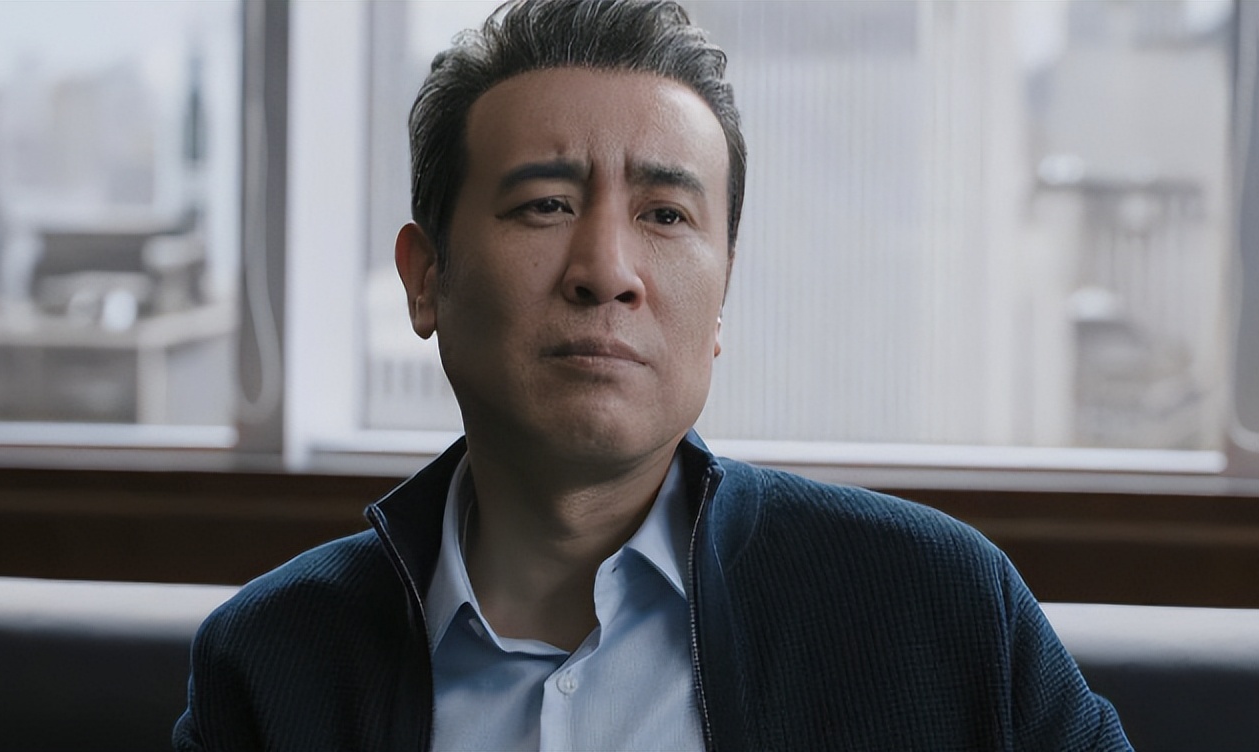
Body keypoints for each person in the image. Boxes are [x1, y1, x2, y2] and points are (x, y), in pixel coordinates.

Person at [174, 1, 1132, 749]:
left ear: (721, 302)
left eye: (666, 216)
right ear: (427, 279)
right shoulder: (271, 662)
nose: (606, 271)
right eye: (545, 205)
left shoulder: (940, 610)